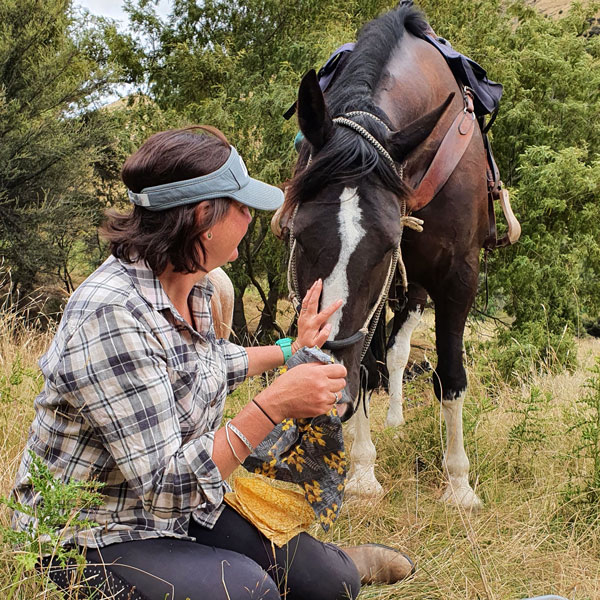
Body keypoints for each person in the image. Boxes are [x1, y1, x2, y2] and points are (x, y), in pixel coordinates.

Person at [11, 125, 413, 600]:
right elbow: (165, 487)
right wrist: (273, 405)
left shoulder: (192, 280)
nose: (250, 217)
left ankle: (339, 563)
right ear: (204, 215)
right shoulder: (111, 314)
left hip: (180, 507)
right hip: (91, 532)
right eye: (242, 206)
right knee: (247, 591)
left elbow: (205, 363)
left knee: (328, 584)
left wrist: (291, 347)